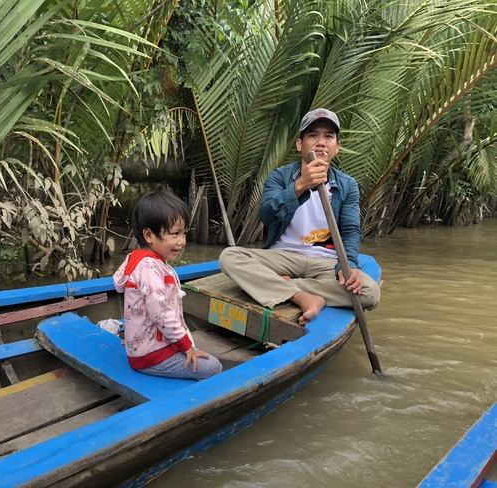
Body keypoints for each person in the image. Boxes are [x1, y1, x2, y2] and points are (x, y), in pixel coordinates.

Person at [219, 108, 381, 326]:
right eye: (313, 135)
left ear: (337, 147)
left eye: (328, 136)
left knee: (370, 292)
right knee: (229, 257)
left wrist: (348, 265)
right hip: (282, 258)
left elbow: (351, 230)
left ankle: (280, 285)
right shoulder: (281, 176)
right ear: (299, 144)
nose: (321, 142)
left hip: (324, 261)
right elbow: (266, 215)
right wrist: (300, 185)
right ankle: (303, 295)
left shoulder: (346, 185)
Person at [113, 190, 223, 380]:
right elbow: (161, 314)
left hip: (147, 346)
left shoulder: (140, 260)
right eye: (175, 234)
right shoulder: (149, 268)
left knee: (194, 347)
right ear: (148, 235)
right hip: (151, 356)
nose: (182, 241)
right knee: (213, 366)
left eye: (184, 233)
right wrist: (187, 347)